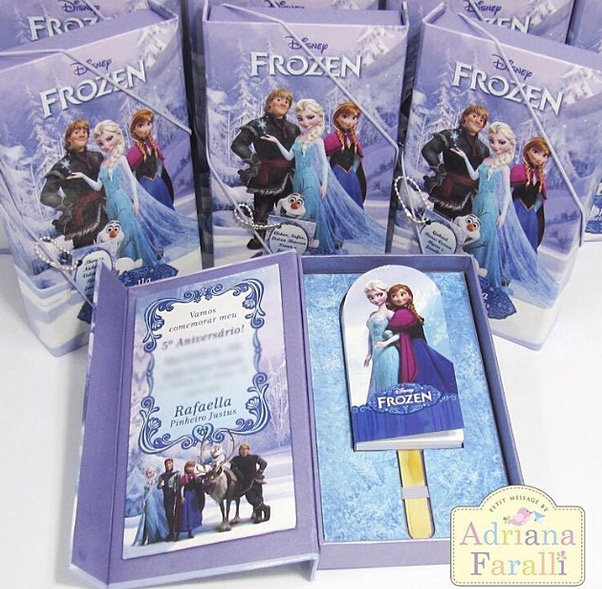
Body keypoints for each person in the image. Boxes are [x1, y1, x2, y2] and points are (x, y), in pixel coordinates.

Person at [453, 123, 558, 311]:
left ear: (510, 145)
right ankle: (469, 269)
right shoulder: (487, 161)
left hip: (491, 205)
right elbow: (474, 176)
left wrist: (502, 214)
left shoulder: (506, 168)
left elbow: (508, 194)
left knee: (484, 238)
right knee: (472, 236)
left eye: (501, 142)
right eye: (492, 141)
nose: (495, 146)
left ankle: (483, 274)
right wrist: (464, 158)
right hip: (479, 202)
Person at [263, 98, 386, 254]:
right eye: (300, 118)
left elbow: (324, 164)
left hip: (310, 178)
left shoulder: (318, 141)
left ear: (319, 118)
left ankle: (312, 244)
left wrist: (324, 184)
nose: (305, 122)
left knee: (309, 211)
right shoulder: (298, 139)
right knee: (299, 209)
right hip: (298, 179)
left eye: (310, 117)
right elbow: (288, 156)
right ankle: (302, 242)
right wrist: (276, 142)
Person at [69, 120, 199, 267]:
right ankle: (129, 264)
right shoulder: (103, 164)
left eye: (109, 139)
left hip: (122, 201)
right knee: (117, 235)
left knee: (128, 233)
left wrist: (136, 201)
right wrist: (83, 176)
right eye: (101, 143)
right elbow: (98, 186)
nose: (106, 145)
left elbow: (132, 180)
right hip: (111, 205)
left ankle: (136, 262)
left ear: (117, 136)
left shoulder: (121, 159)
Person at [231, 88, 300, 249]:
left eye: (287, 101)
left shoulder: (294, 128)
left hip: (288, 176)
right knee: (262, 211)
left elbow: (297, 152)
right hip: (266, 175)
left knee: (289, 210)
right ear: (269, 103)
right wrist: (253, 160)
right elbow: (238, 144)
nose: (283, 103)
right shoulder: (257, 125)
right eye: (279, 99)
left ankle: (288, 240)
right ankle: (259, 240)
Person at [40, 119, 107, 247]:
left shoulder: (97, 157)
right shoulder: (62, 166)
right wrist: (66, 205)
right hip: (82, 219)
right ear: (68, 139)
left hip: (106, 211)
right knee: (87, 254)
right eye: (77, 132)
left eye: (84, 131)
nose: (82, 134)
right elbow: (46, 195)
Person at [385, 284, 458, 393]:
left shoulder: (405, 312)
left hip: (417, 346)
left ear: (409, 296)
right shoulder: (403, 313)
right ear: (390, 300)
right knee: (428, 370)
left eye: (402, 294)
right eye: (394, 296)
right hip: (416, 346)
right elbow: (393, 329)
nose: (399, 298)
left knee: (425, 370)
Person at [421, 104, 490, 218]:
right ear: (465, 117)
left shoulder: (483, 149)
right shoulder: (450, 136)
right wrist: (440, 170)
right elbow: (428, 150)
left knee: (461, 228)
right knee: (438, 225)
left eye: (482, 120)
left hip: (470, 199)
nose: (478, 121)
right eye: (474, 116)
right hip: (448, 192)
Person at [127, 108, 175, 209]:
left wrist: (166, 185)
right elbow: (131, 176)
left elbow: (161, 169)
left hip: (159, 185)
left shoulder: (153, 146)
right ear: (133, 130)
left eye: (148, 124)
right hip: (145, 188)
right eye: (140, 126)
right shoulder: (133, 152)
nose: (146, 129)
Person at [510, 137, 550, 250]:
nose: (539, 158)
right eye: (535, 152)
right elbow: (508, 192)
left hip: (531, 215)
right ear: (527, 151)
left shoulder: (540, 176)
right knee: (514, 240)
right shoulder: (518, 170)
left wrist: (536, 213)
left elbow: (540, 200)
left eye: (544, 155)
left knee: (528, 241)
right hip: (516, 211)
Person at [363, 280, 399, 403]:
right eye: (371, 297)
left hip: (388, 351)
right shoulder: (372, 315)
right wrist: (369, 353)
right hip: (376, 352)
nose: (376, 299)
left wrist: (386, 343)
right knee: (379, 381)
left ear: (386, 293)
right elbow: (370, 334)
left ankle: (392, 405)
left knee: (389, 380)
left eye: (379, 295)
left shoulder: (390, 313)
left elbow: (401, 333)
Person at [324, 101, 366, 207]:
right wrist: (328, 177)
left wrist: (353, 172)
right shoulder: (331, 138)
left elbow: (357, 159)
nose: (349, 122)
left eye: (354, 118)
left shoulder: (354, 140)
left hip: (351, 177)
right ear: (337, 118)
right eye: (345, 117)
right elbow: (326, 160)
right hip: (336, 175)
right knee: (337, 203)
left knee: (352, 201)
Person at [230, 443, 270, 523]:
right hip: (245, 483)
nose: (244, 451)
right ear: (239, 451)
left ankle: (259, 516)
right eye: (242, 449)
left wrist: (259, 472)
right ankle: (266, 508)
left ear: (248, 450)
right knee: (251, 499)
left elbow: (264, 463)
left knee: (259, 497)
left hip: (256, 481)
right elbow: (232, 469)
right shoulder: (236, 460)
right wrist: (239, 474)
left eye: (246, 449)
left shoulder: (254, 457)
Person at [132, 466, 169, 546]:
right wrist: (144, 501)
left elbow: (160, 491)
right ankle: (152, 537)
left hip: (156, 503)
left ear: (154, 472)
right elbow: (145, 494)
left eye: (150, 472)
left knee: (157, 518)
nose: (149, 475)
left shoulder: (157, 481)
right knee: (149, 520)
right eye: (147, 473)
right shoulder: (147, 483)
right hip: (148, 503)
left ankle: (159, 535)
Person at [176, 460, 204, 540]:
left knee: (192, 514)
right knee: (184, 514)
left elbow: (198, 486)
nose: (191, 468)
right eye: (189, 467)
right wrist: (182, 497)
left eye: (192, 467)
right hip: (187, 495)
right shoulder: (184, 477)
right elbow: (181, 487)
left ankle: (190, 531)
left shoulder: (195, 476)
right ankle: (178, 533)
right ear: (186, 468)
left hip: (193, 496)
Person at [158, 458, 180, 541]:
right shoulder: (162, 476)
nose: (168, 465)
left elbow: (178, 485)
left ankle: (175, 532)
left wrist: (177, 492)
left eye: (170, 463)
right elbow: (158, 486)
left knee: (174, 513)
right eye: (167, 464)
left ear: (172, 464)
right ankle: (171, 532)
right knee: (168, 514)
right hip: (166, 496)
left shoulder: (176, 474)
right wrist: (161, 484)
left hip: (173, 495)